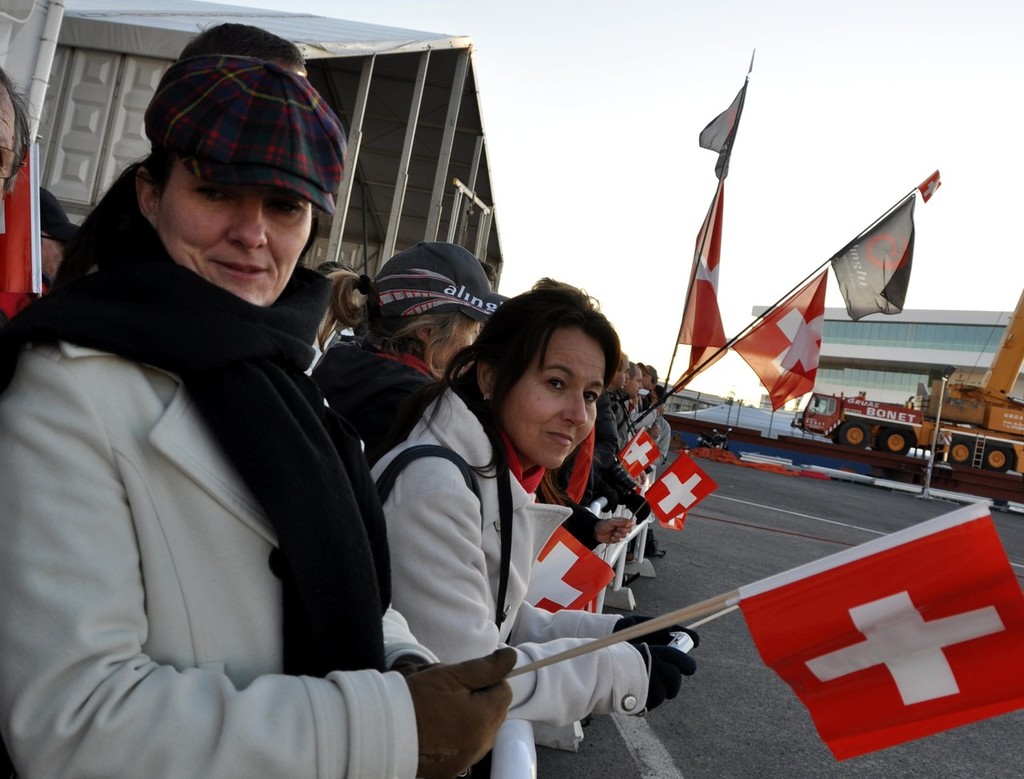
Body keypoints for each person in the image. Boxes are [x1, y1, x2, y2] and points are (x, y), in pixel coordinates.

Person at [0, 54, 514, 779]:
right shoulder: (66, 388)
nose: (253, 233)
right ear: (151, 194)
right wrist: (387, 725)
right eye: (215, 191)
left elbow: (334, 574)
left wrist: (403, 662)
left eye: (284, 206)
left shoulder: (291, 377)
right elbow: (73, 721)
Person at [372, 280, 697, 736]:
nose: (578, 416)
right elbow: (466, 674)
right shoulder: (437, 488)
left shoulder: (492, 474)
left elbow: (501, 618)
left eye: (589, 394)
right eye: (556, 383)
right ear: (490, 377)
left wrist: (616, 632)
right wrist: (622, 672)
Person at [313, 240, 504, 455]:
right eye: (473, 329)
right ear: (427, 332)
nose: (476, 343)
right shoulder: (416, 411)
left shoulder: (348, 365)